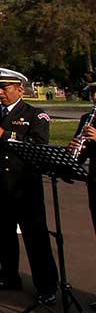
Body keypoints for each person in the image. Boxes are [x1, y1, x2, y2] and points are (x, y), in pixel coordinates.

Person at [0, 68, 58, 302]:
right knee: (4, 235)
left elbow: (39, 146)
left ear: (20, 89)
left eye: (5, 88)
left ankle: (47, 285)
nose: (0, 93)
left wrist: (5, 134)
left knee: (35, 237)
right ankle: (8, 276)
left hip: (24, 186)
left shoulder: (35, 114)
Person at [66, 80, 96, 238]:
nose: (95, 96)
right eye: (93, 92)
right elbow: (81, 156)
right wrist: (73, 151)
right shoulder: (87, 118)